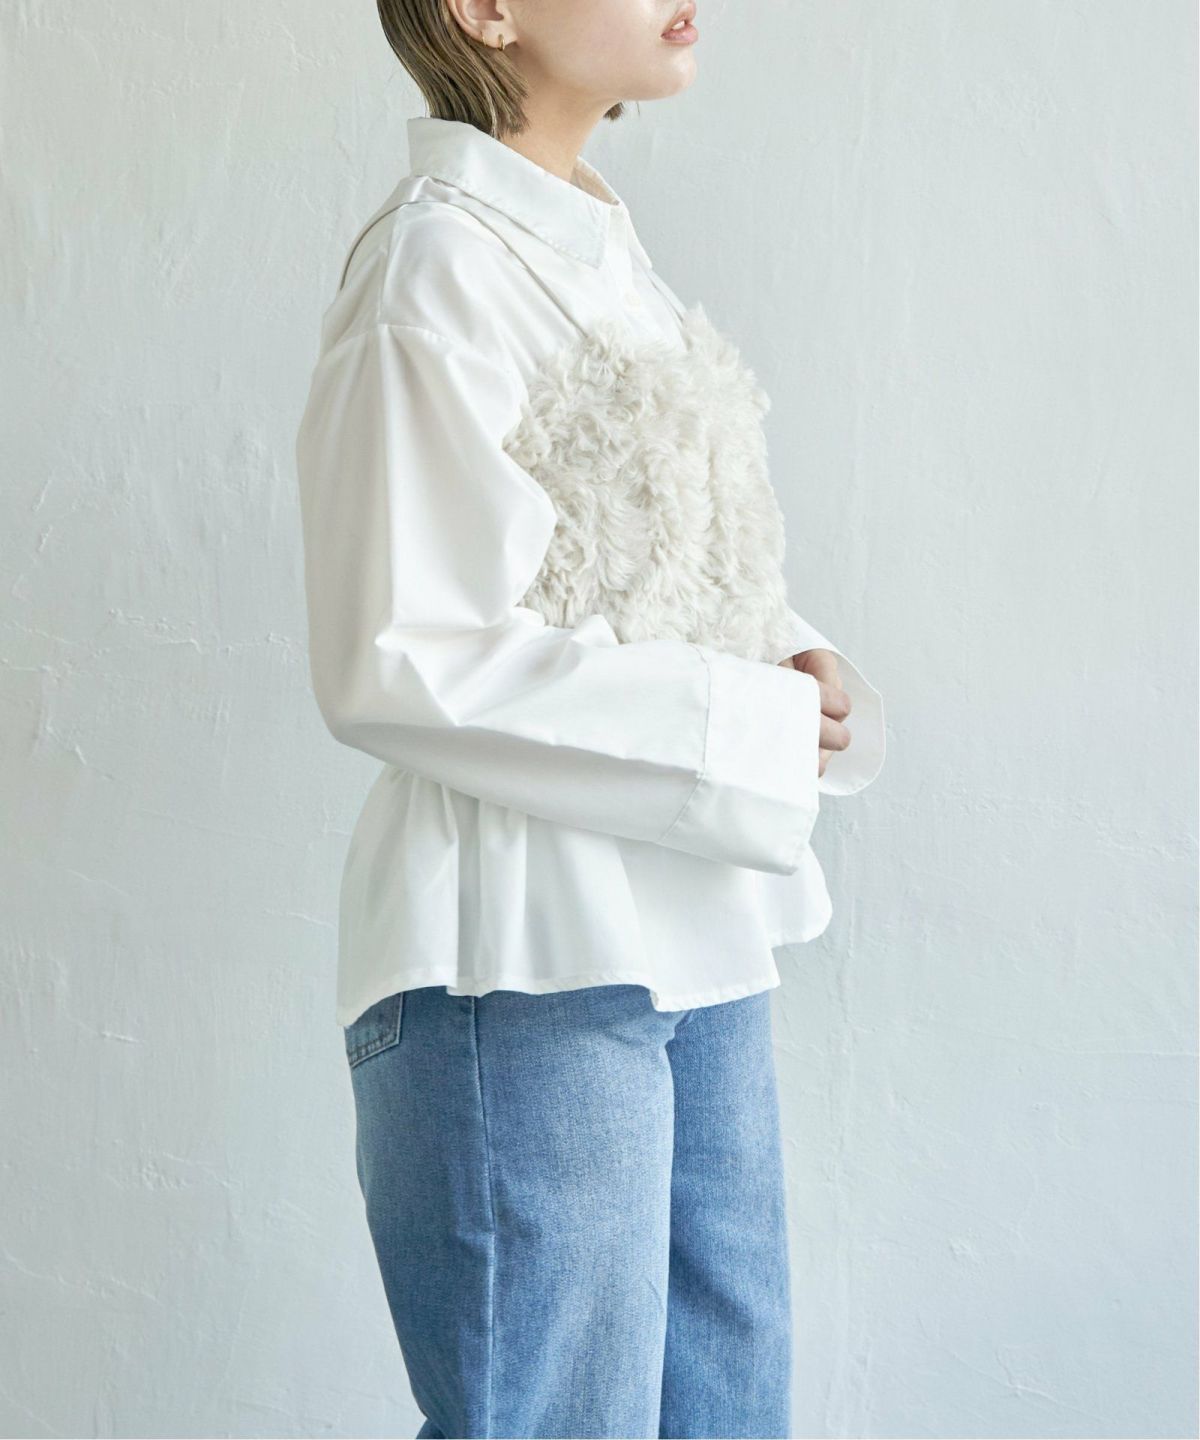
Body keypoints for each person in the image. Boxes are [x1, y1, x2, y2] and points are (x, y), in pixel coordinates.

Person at [293, 2, 886, 1435]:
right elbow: (399, 651)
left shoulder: (602, 251)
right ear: (484, 9)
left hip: (696, 929)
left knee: (727, 1404)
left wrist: (790, 656)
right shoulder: (434, 263)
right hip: (520, 954)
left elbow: (643, 563)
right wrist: (742, 721)